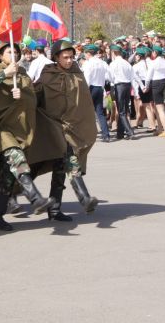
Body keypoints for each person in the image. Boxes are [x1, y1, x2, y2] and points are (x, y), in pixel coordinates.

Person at [0, 41, 55, 231]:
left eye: (16, 52)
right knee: (17, 158)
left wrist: (23, 93)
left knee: (8, 177)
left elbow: (32, 99)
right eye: (10, 52)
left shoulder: (23, 74)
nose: (15, 55)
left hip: (20, 130)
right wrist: (4, 74)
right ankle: (35, 197)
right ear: (0, 55)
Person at [30, 39, 98, 220]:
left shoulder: (77, 73)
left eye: (71, 57)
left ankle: (54, 210)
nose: (69, 61)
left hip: (73, 127)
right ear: (56, 57)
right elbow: (36, 94)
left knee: (61, 169)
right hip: (53, 127)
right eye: (65, 57)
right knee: (69, 161)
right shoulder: (48, 74)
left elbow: (83, 101)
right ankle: (84, 198)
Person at [82, 44, 113, 142]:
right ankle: (106, 135)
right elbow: (110, 76)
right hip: (100, 88)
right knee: (100, 112)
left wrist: (84, 90)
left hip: (91, 88)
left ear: (88, 53)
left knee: (86, 112)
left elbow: (87, 79)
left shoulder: (87, 63)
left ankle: (87, 134)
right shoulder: (102, 63)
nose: (85, 55)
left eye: (85, 53)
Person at [109, 44, 134, 140]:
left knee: (121, 111)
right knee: (124, 109)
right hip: (127, 85)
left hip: (119, 86)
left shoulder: (113, 63)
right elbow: (132, 75)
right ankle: (120, 133)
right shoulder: (126, 63)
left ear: (113, 52)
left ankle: (129, 132)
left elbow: (110, 77)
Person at [145, 45, 165, 136]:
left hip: (156, 83)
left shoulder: (153, 62)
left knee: (160, 108)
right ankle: (160, 128)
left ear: (155, 52)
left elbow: (148, 76)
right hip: (164, 81)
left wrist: (146, 86)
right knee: (159, 107)